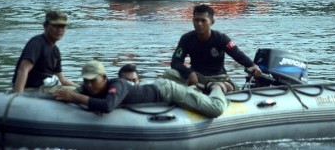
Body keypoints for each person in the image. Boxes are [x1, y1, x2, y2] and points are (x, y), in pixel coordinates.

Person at [53, 60, 229, 118]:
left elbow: (107, 106)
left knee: (216, 109)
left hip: (166, 90)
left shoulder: (118, 85)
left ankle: (216, 87)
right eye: (87, 81)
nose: (89, 85)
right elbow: (74, 92)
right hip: (154, 89)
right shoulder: (90, 88)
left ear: (104, 78)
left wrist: (77, 99)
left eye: (93, 81)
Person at [163, 4, 262, 92]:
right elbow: (175, 62)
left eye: (203, 20)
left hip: (218, 78)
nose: (199, 24)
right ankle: (202, 87)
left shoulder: (221, 38)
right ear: (192, 20)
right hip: (196, 76)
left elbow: (238, 55)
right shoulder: (186, 38)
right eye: (196, 20)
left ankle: (214, 88)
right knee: (169, 73)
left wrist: (252, 65)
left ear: (212, 22)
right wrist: (189, 73)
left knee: (221, 86)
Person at [12, 10, 79, 93]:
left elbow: (61, 79)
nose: (59, 30)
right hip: (33, 89)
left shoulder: (55, 50)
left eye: (62, 26)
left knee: (79, 91)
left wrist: (80, 88)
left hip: (48, 87)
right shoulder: (37, 43)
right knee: (75, 93)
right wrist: (18, 96)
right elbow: (23, 69)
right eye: (55, 26)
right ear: (45, 26)